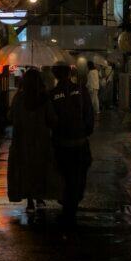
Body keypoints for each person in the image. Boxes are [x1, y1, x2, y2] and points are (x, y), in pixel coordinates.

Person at [46, 63, 94, 224]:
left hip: (61, 144)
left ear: (55, 75)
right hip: (80, 143)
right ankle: (72, 207)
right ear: (69, 73)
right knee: (78, 176)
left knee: (64, 177)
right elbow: (89, 113)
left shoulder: (52, 94)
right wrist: (85, 130)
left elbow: (50, 120)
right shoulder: (81, 90)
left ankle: (68, 207)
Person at [8, 69, 60, 212]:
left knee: (26, 170)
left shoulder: (19, 98)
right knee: (40, 169)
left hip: (22, 141)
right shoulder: (44, 98)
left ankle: (30, 201)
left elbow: (10, 117)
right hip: (41, 141)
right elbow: (52, 119)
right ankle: (39, 197)